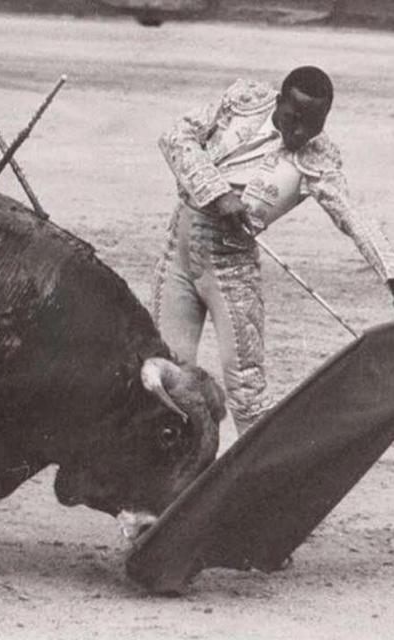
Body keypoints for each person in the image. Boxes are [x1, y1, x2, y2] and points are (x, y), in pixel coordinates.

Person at [152, 66, 394, 435]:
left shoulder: (318, 159)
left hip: (231, 270)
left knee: (247, 392)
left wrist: (391, 273)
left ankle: (261, 485)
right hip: (179, 251)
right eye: (293, 119)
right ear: (278, 101)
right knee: (168, 370)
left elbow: (353, 216)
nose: (299, 133)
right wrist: (217, 193)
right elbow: (176, 137)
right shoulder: (244, 101)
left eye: (312, 125)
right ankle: (173, 473)